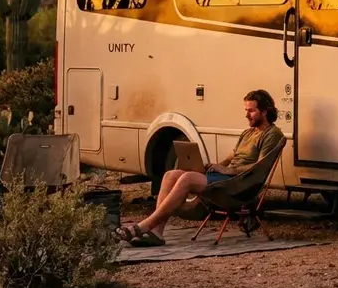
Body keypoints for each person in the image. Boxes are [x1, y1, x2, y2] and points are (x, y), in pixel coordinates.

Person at [115, 89, 285, 246]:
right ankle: (157, 233)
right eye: (246, 110)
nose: (247, 115)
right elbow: (232, 157)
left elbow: (260, 167)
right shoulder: (248, 132)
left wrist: (228, 171)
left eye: (251, 111)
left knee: (187, 179)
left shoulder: (272, 134)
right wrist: (217, 166)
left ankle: (145, 225)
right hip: (227, 177)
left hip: (240, 185)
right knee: (170, 174)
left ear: (264, 111)